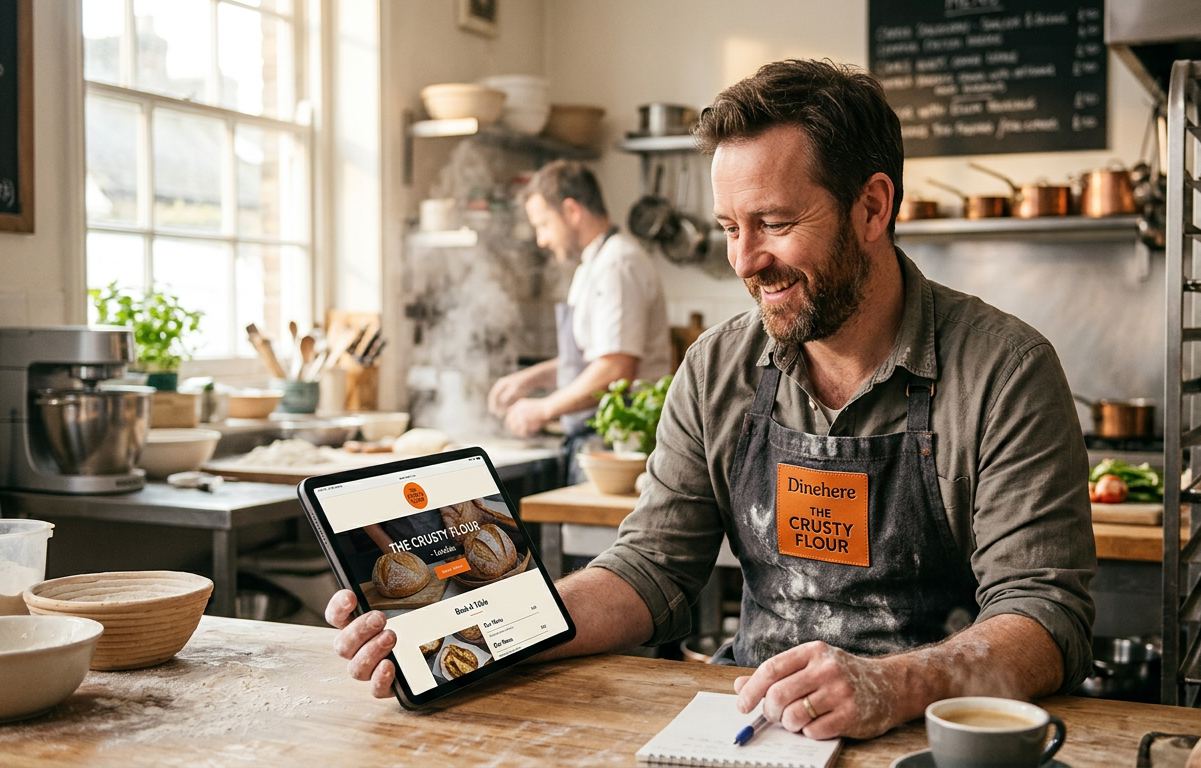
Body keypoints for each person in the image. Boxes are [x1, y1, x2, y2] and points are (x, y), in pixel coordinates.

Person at [328, 60, 1096, 741]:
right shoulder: (719, 366)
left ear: (872, 207)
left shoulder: (1005, 370)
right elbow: (651, 567)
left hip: (942, 740)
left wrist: (889, 684)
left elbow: (1046, 618)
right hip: (760, 730)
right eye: (731, 226)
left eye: (776, 223)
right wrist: (483, 628)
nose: (746, 260)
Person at [486, 161, 670, 481]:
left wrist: (542, 409)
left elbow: (615, 369)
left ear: (571, 211)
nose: (541, 240)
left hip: (617, 445)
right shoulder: (592, 266)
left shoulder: (618, 264)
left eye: (543, 225)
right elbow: (591, 359)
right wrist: (530, 379)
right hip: (594, 439)